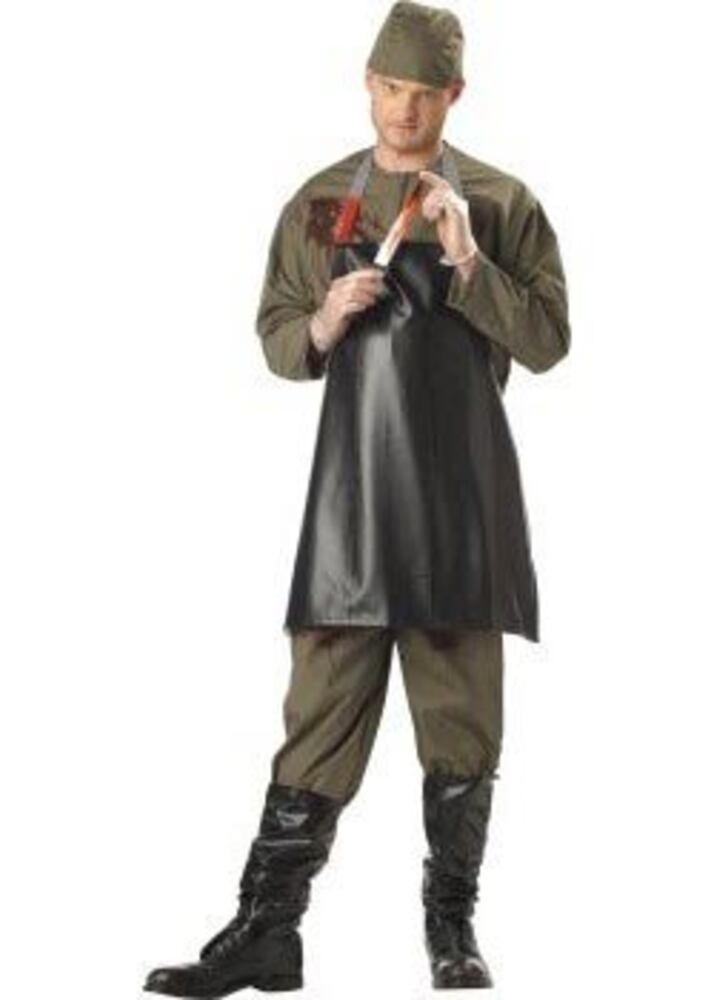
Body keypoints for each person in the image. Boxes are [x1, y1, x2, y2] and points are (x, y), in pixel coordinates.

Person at [143, 1, 571, 994]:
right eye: (390, 88)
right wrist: (324, 320)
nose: (405, 110)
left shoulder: (501, 202)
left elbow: (549, 340)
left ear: (454, 95)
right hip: (351, 510)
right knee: (316, 717)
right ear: (368, 83)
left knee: (463, 729)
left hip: (461, 509)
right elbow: (277, 335)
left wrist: (467, 259)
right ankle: (268, 930)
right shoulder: (319, 203)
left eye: (424, 93)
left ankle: (452, 929)